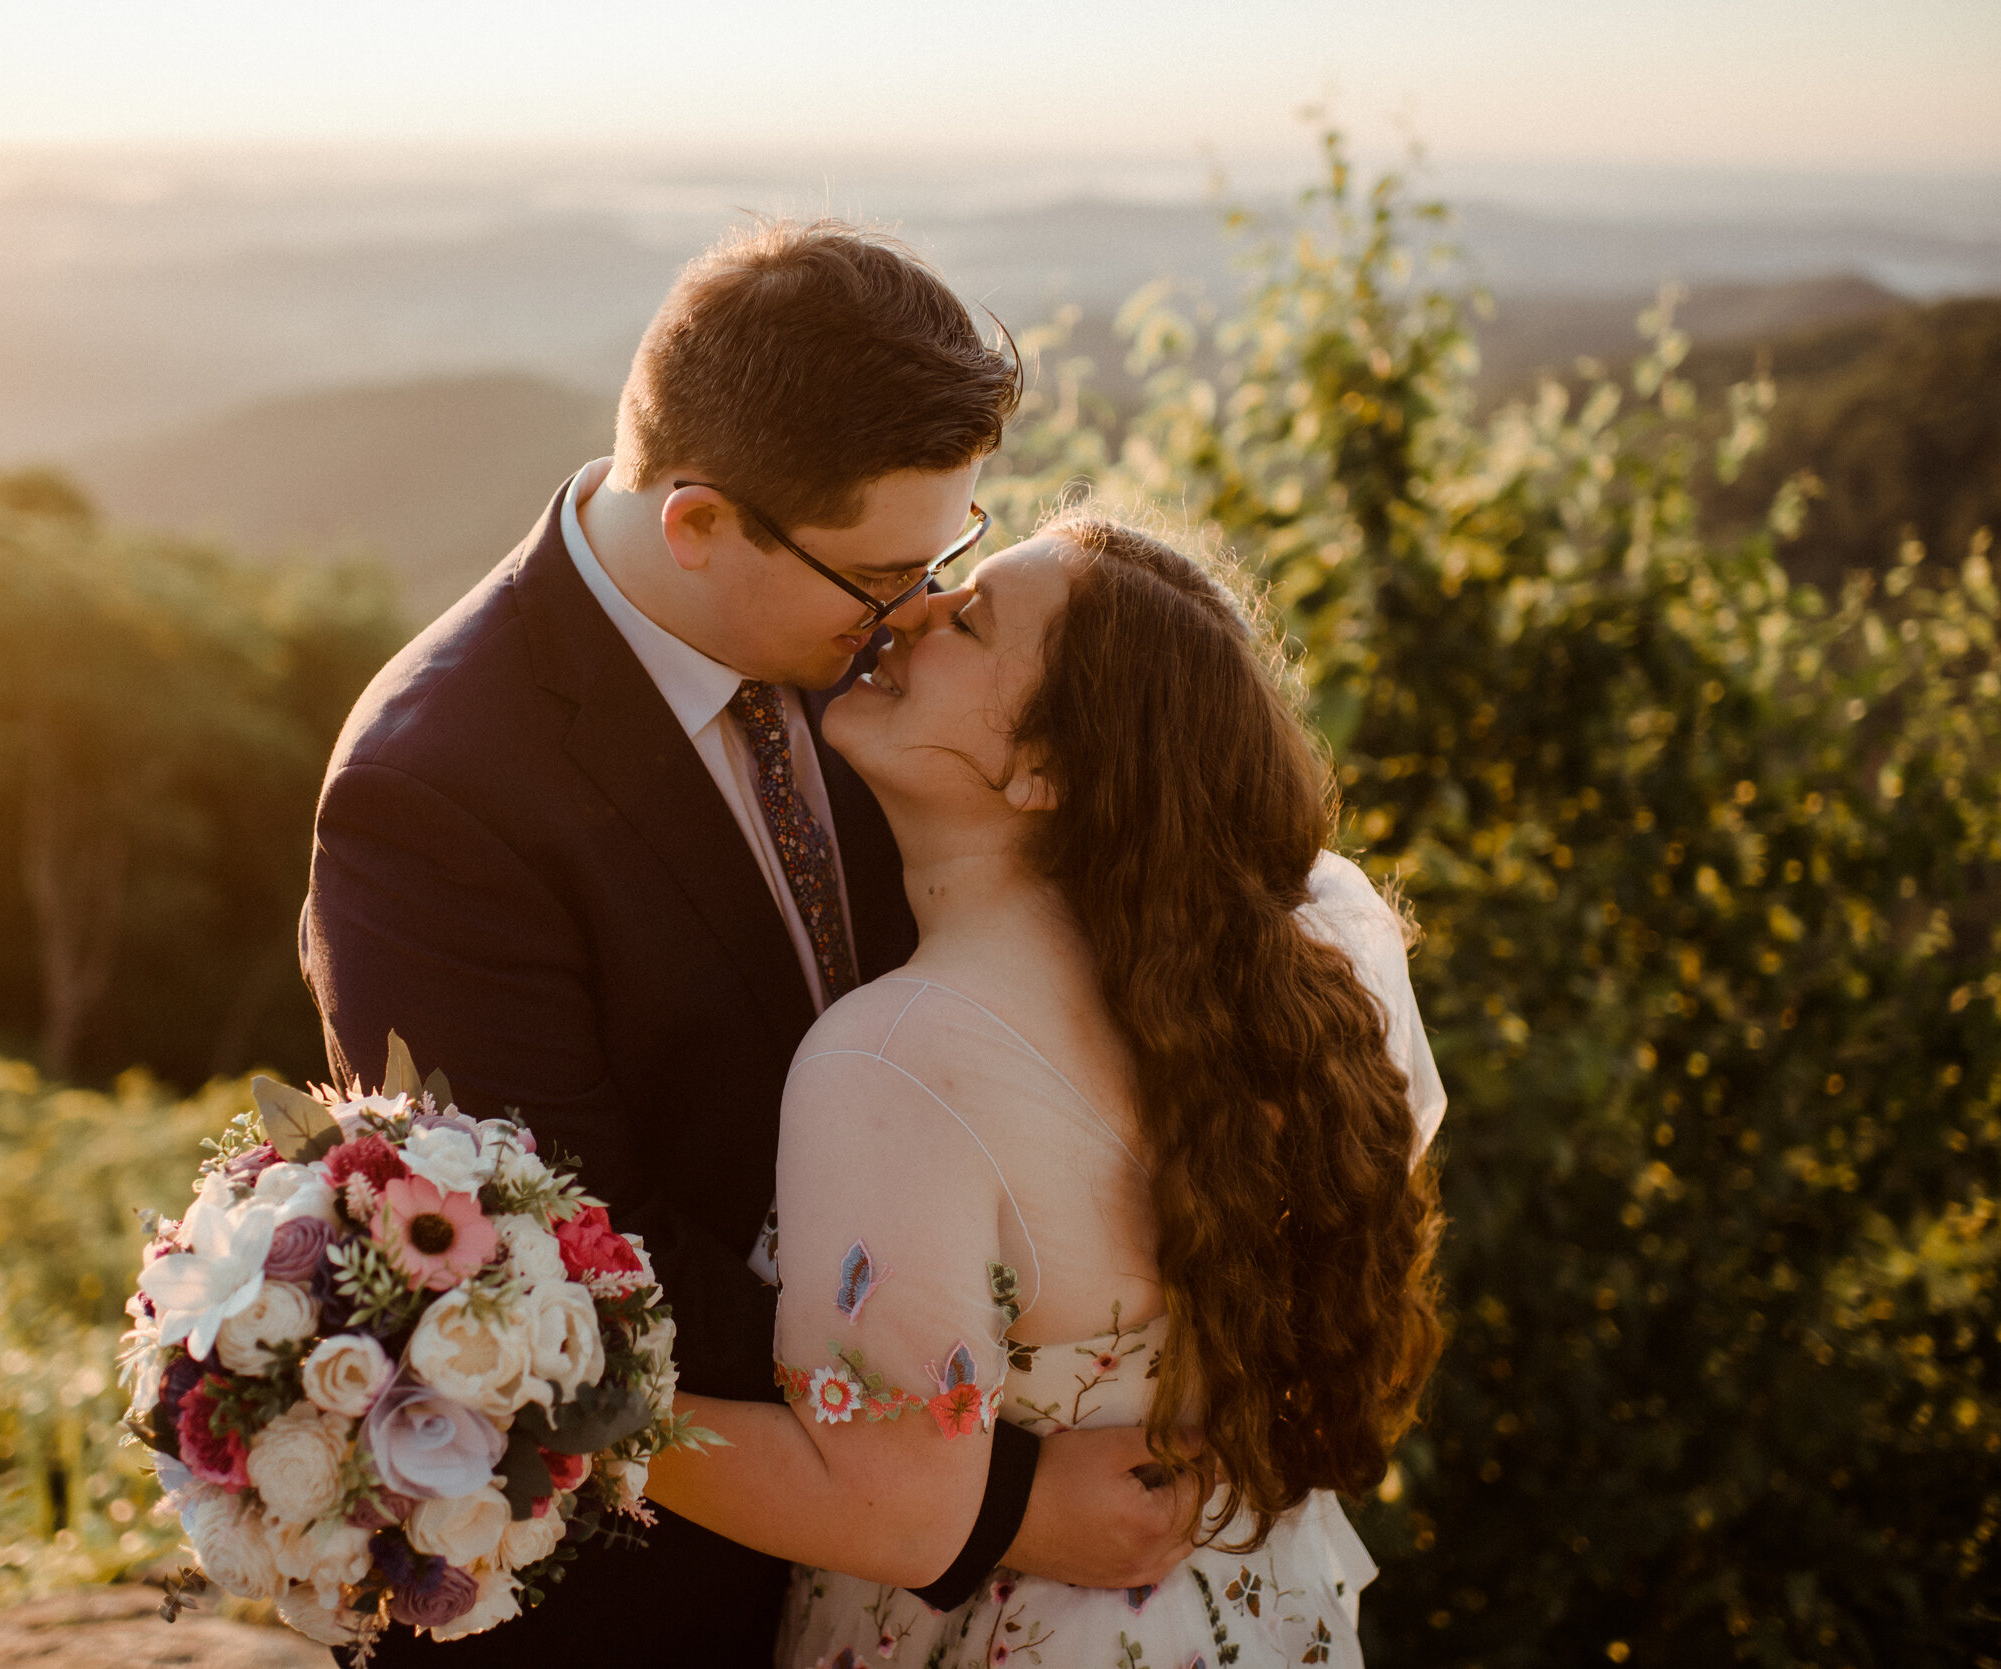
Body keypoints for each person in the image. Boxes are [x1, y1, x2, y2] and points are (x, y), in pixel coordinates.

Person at [301, 223, 1202, 1669]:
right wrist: (989, 1485)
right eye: (879, 575)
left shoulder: (875, 672)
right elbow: (574, 1248)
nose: (918, 614)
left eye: (946, 554)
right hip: (651, 1594)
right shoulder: (438, 789)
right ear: (700, 524)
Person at [645, 514, 1449, 1669]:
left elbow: (891, 1509)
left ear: (1044, 770)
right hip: (1235, 1618)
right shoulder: (1246, 1001)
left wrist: (552, 1410)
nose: (908, 608)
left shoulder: (893, 1058)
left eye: (965, 618)